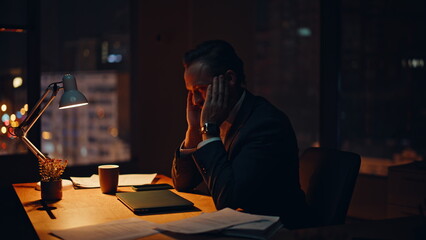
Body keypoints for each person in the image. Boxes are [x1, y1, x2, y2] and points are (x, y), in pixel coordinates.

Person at [171, 40, 312, 229]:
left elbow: (229, 199)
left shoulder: (265, 124)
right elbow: (183, 182)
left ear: (230, 79)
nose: (195, 101)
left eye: (201, 89)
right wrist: (194, 130)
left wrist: (209, 129)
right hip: (238, 225)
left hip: (277, 231)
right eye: (190, 92)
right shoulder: (214, 119)